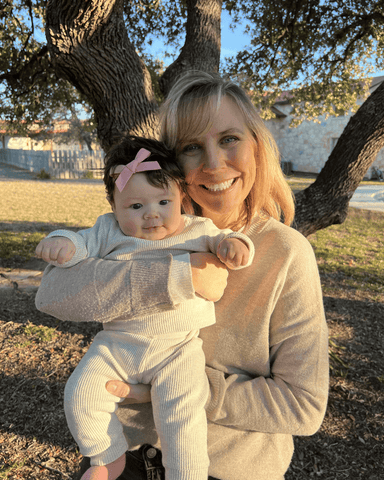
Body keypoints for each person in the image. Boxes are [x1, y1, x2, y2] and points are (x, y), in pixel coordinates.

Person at [35, 71, 329, 480]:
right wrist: (175, 275)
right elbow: (51, 293)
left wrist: (177, 390)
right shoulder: (144, 221)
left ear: (258, 146)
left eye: (229, 139)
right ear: (173, 163)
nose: (213, 163)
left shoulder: (286, 253)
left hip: (226, 470)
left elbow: (303, 406)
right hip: (127, 455)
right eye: (192, 147)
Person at [35, 135, 254, 480]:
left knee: (181, 417)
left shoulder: (198, 229)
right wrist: (63, 243)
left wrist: (235, 246)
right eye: (135, 207)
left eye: (163, 202)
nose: (151, 215)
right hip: (118, 345)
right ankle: (107, 457)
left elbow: (226, 238)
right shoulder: (108, 231)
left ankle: (187, 474)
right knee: (81, 393)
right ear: (115, 208)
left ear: (181, 195)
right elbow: (81, 243)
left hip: (177, 348)